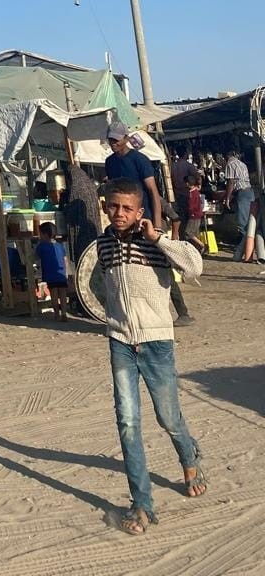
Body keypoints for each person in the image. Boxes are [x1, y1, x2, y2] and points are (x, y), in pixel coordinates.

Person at [96, 178, 206, 536]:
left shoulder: (155, 243)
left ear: (139, 211)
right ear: (105, 207)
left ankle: (189, 457)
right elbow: (98, 284)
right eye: (114, 206)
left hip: (157, 342)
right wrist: (112, 315)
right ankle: (142, 504)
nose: (119, 213)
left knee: (168, 417)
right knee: (127, 422)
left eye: (127, 208)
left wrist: (158, 238)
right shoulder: (103, 245)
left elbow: (194, 266)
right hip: (120, 342)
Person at [104, 122, 163, 229]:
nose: (113, 143)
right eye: (111, 139)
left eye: (116, 140)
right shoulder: (110, 162)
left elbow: (153, 191)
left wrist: (157, 226)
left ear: (126, 139)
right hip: (121, 219)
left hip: (142, 219)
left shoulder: (140, 160)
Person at [224, 149, 254, 260]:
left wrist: (227, 198)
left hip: (242, 193)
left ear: (227, 156)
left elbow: (231, 182)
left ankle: (244, 250)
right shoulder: (242, 164)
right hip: (249, 191)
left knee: (242, 223)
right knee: (249, 221)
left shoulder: (230, 164)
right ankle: (247, 249)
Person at [36, 222, 68, 322]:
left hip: (50, 275)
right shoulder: (60, 245)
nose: (39, 236)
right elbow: (65, 259)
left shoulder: (41, 246)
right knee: (63, 294)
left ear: (45, 234)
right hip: (61, 274)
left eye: (40, 234)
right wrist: (66, 273)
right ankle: (64, 313)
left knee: (53, 295)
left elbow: (36, 257)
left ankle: (56, 314)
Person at [171, 148, 202, 232]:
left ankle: (182, 234)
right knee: (190, 216)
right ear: (185, 155)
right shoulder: (188, 165)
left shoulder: (172, 166)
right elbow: (197, 176)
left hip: (177, 194)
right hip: (187, 194)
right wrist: (198, 185)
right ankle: (191, 234)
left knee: (181, 216)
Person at [182, 174, 206, 254]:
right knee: (195, 233)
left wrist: (189, 211)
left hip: (194, 215)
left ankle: (202, 245)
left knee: (188, 233)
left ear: (187, 183)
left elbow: (192, 206)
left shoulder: (192, 193)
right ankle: (198, 249)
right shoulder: (196, 192)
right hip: (197, 215)